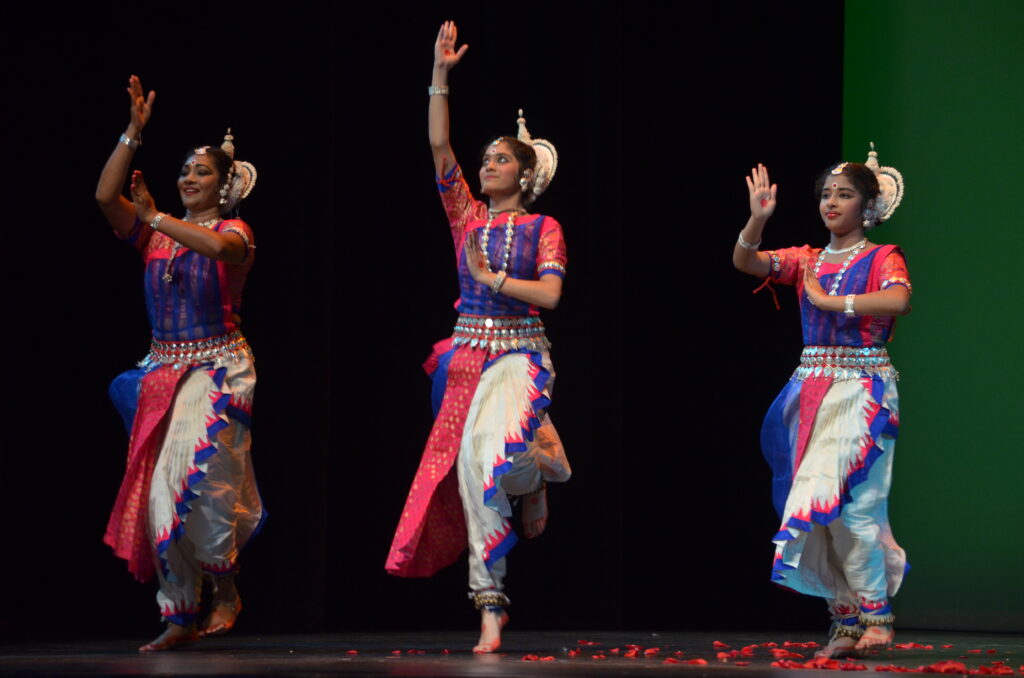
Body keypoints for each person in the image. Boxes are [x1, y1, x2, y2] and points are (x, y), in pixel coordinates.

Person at [385, 22, 571, 654]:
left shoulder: (544, 226)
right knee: (468, 467)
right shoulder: (464, 215)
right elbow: (440, 148)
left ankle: (536, 466)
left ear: (524, 174)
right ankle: (490, 603)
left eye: (499, 159)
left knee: (494, 455)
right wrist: (440, 76)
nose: (487, 165)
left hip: (521, 352)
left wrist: (497, 279)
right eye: (486, 158)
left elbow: (550, 296)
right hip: (464, 355)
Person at [96, 75, 264, 652]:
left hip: (218, 368)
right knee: (160, 490)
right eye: (186, 171)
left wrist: (158, 217)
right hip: (162, 371)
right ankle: (178, 611)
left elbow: (217, 251)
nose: (189, 178)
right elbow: (103, 198)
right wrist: (132, 134)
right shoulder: (155, 238)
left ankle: (226, 584)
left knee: (206, 483)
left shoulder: (234, 231)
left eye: (203, 173)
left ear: (224, 188)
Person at [733, 146, 911, 658]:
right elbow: (746, 261)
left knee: (855, 511)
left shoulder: (883, 257)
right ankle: (846, 619)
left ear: (868, 206)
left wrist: (835, 303)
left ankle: (877, 614)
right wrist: (756, 219)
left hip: (864, 390)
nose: (831, 202)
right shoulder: (807, 259)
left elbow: (899, 299)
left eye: (845, 194)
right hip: (811, 392)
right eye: (826, 194)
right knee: (817, 508)